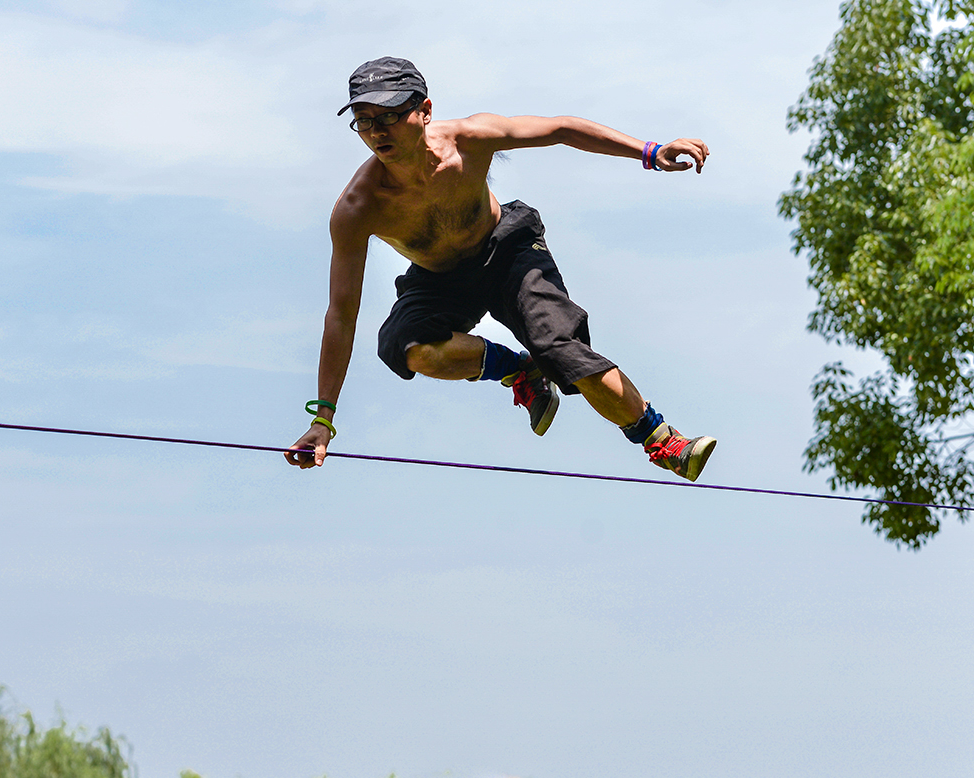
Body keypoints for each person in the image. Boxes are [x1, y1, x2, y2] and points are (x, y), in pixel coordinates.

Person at [285, 56, 717, 481]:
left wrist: (651, 151)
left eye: (391, 116)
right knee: (406, 347)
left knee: (557, 346)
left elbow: (561, 129)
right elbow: (341, 315)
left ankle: (662, 441)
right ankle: (518, 370)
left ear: (425, 111)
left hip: (507, 250)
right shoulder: (358, 209)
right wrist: (323, 419)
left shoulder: (471, 139)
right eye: (365, 121)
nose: (378, 132)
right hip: (438, 278)